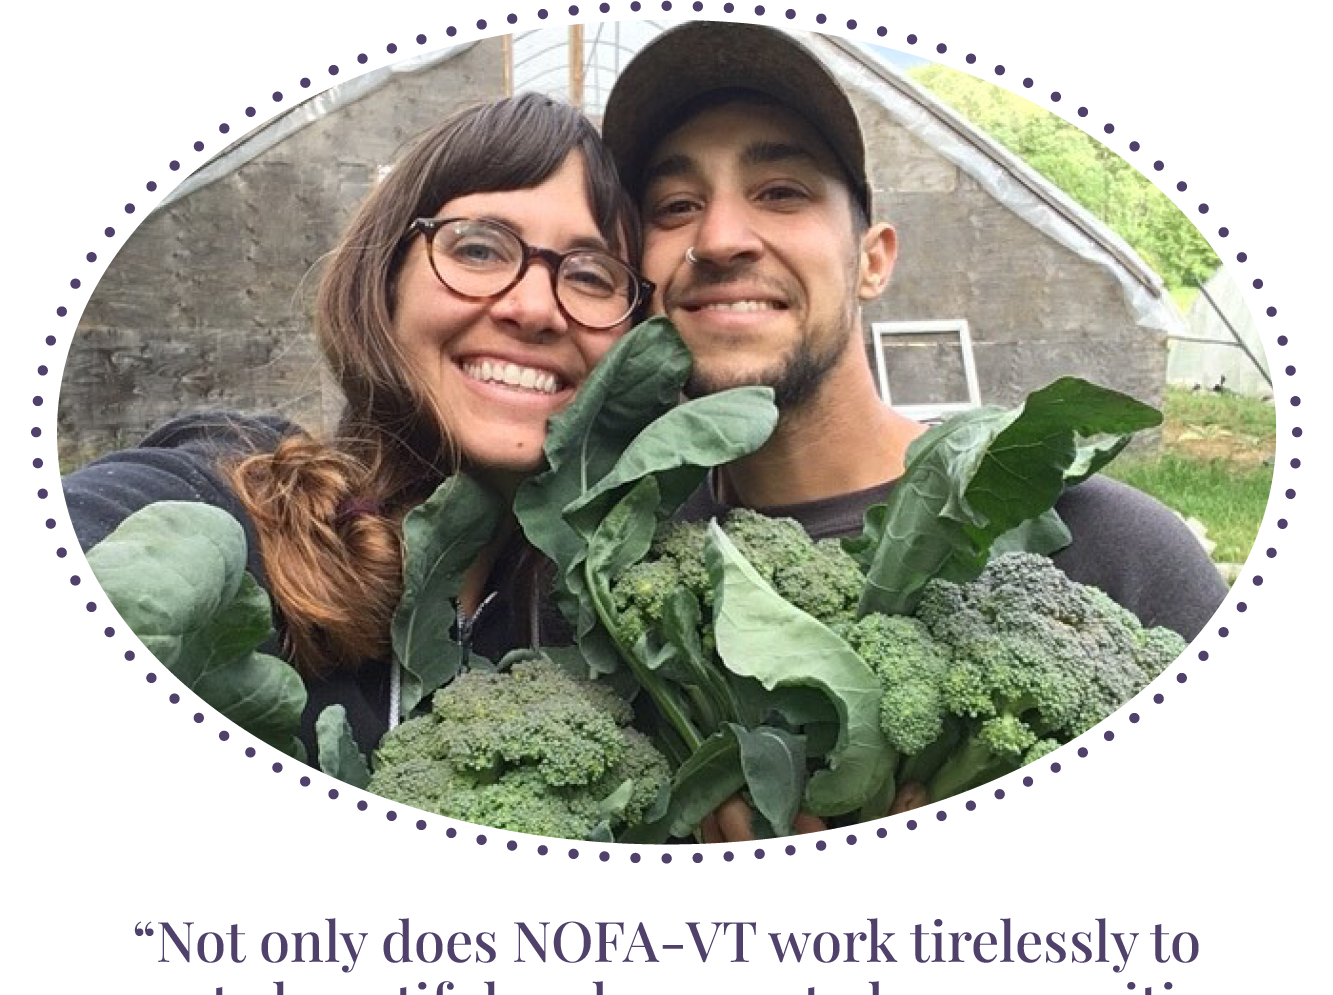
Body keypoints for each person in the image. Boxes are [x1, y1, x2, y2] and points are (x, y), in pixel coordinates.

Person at [601, 22, 1229, 838]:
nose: (718, 239)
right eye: (675, 207)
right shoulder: (622, 578)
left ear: (872, 260)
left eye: (781, 191)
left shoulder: (1115, 558)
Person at [63, 93, 652, 756]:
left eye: (591, 275)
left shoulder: (608, 618)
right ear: (386, 279)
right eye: (480, 248)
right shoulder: (227, 506)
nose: (535, 308)